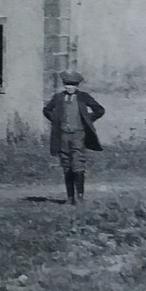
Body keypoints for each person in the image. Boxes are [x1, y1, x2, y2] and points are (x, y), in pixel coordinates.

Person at [43, 71, 106, 205]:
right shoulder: (58, 97)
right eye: (67, 84)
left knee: (78, 165)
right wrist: (55, 120)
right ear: (64, 85)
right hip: (63, 136)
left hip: (78, 135)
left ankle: (80, 197)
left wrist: (87, 120)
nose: (69, 87)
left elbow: (99, 110)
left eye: (72, 85)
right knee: (66, 165)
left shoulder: (83, 97)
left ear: (77, 85)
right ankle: (70, 197)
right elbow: (47, 110)